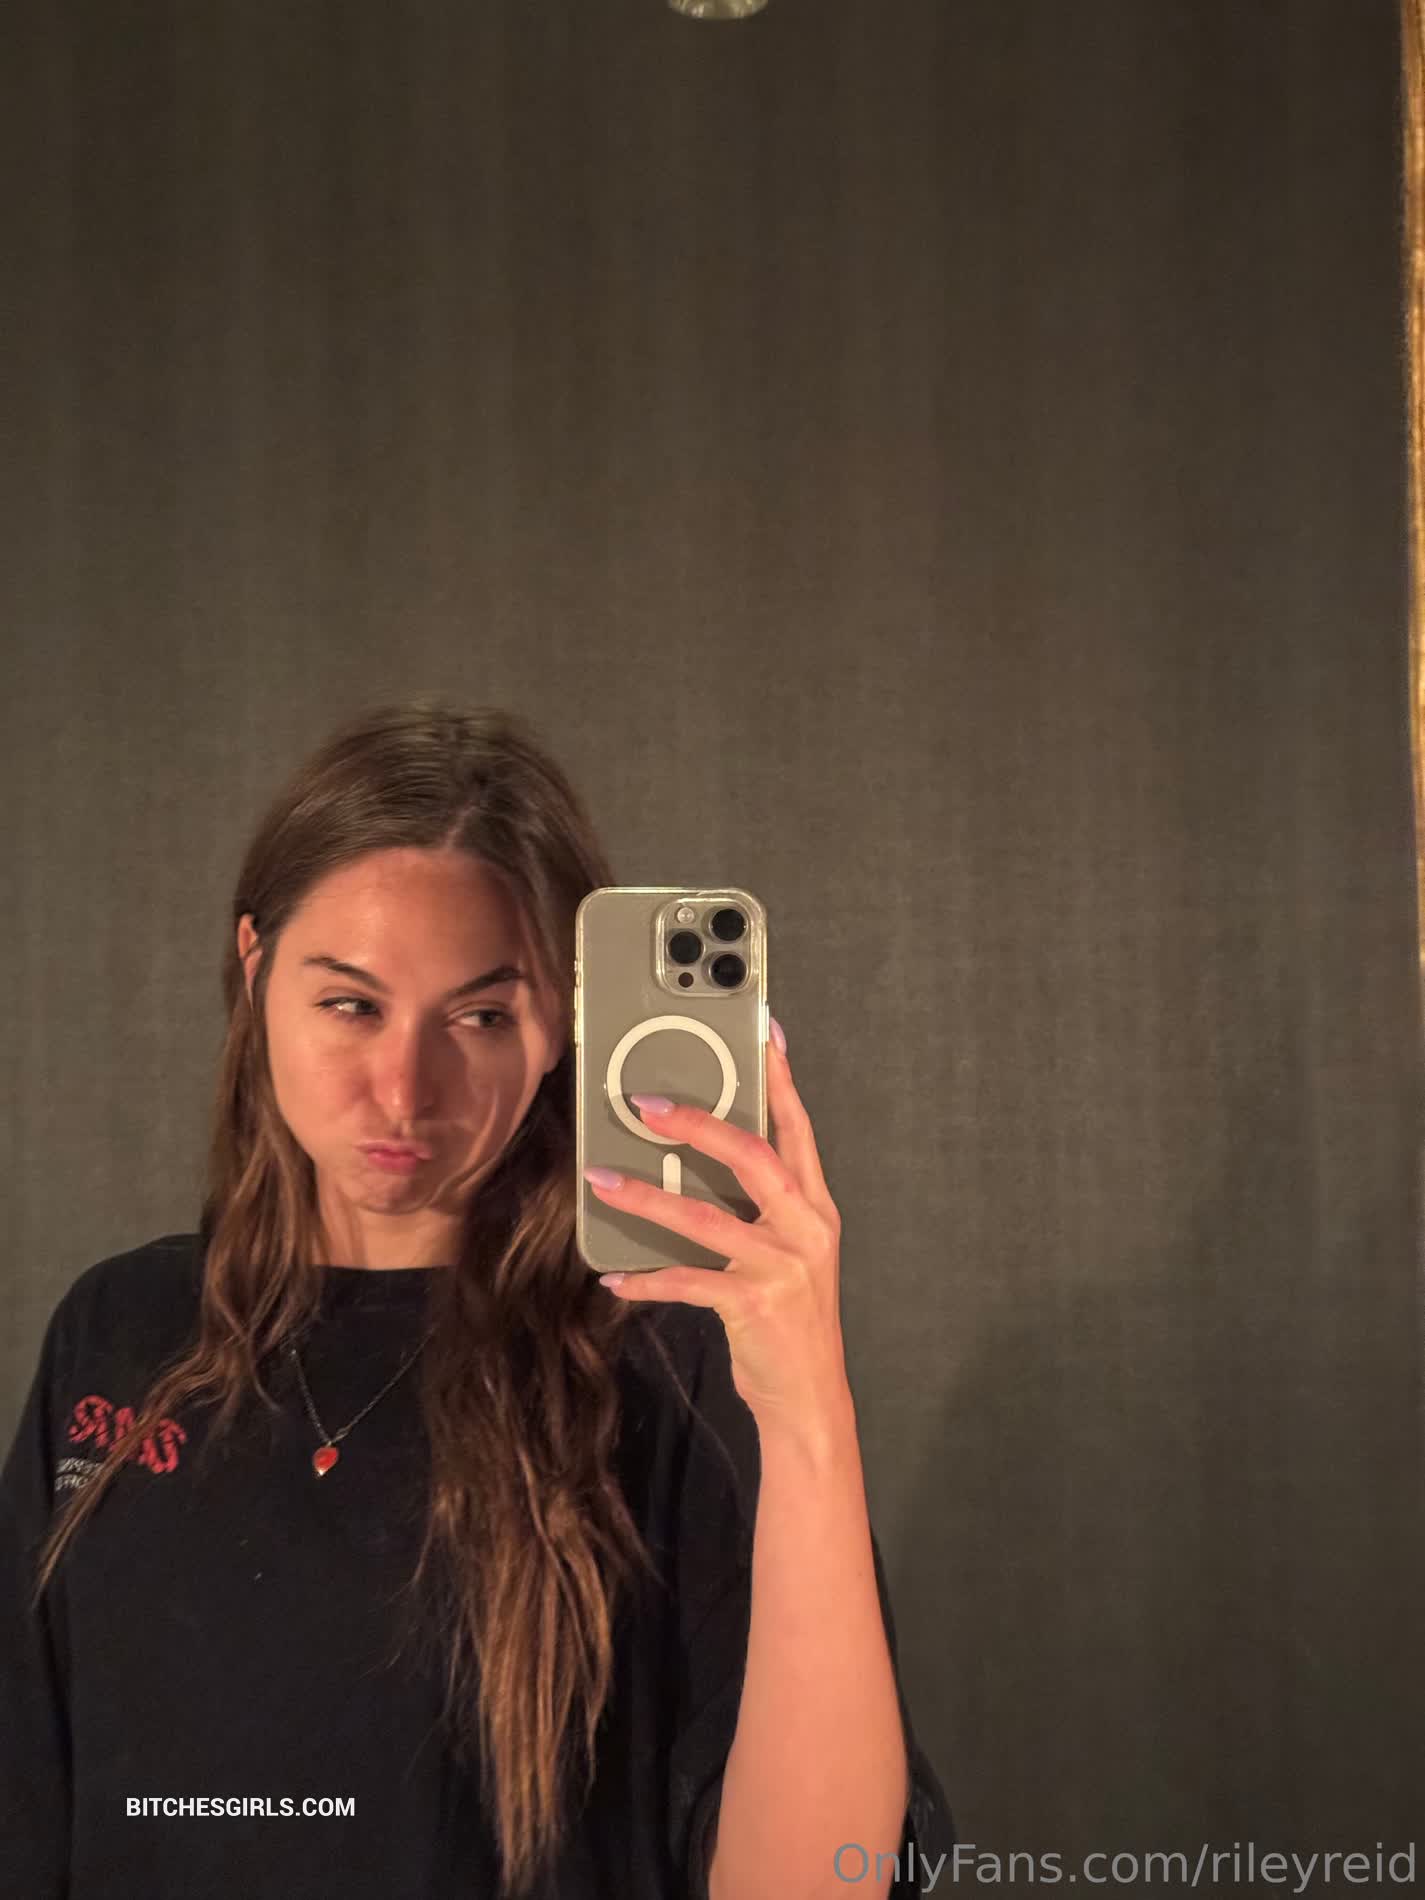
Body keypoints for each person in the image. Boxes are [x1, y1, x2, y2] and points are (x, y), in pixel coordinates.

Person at [0, 698, 956, 1899]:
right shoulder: (119, 1331)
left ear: (562, 1025)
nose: (405, 1089)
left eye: (483, 1015)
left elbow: (815, 1884)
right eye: (350, 1004)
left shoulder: (666, 1356)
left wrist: (809, 1403)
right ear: (254, 971)